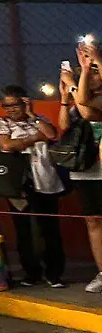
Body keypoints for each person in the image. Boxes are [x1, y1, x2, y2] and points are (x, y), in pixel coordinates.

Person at [0, 85, 63, 288]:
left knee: (49, 228)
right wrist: (35, 138)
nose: (11, 109)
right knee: (24, 229)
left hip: (45, 179)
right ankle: (31, 272)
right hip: (19, 183)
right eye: (7, 106)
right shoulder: (0, 122)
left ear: (25, 102)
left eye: (16, 104)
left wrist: (32, 115)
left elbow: (50, 134)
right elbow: (6, 145)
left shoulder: (39, 120)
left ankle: (54, 273)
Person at [60, 43, 102, 294]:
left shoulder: (90, 99)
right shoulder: (79, 96)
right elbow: (64, 126)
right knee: (93, 221)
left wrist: (73, 82)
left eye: (95, 71)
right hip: (84, 169)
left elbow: (86, 109)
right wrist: (65, 100)